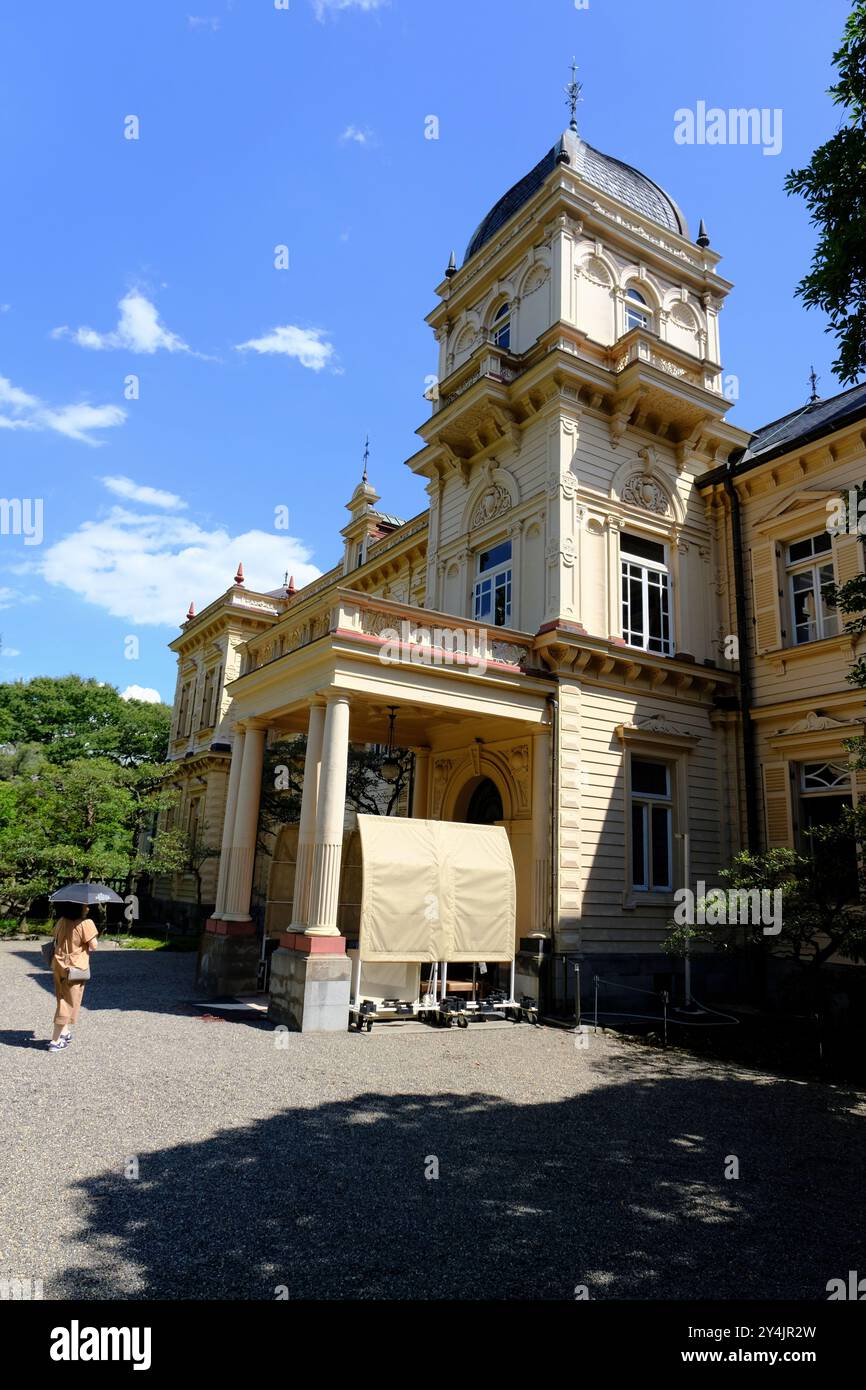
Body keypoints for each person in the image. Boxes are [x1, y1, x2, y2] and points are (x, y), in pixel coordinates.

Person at [48, 901, 98, 1051]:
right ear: (79, 908)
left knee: (62, 997)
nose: (88, 908)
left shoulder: (62, 920)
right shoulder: (86, 923)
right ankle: (55, 1041)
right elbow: (94, 945)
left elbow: (54, 935)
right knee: (68, 1002)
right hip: (74, 967)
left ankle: (64, 1032)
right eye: (85, 905)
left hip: (58, 964)